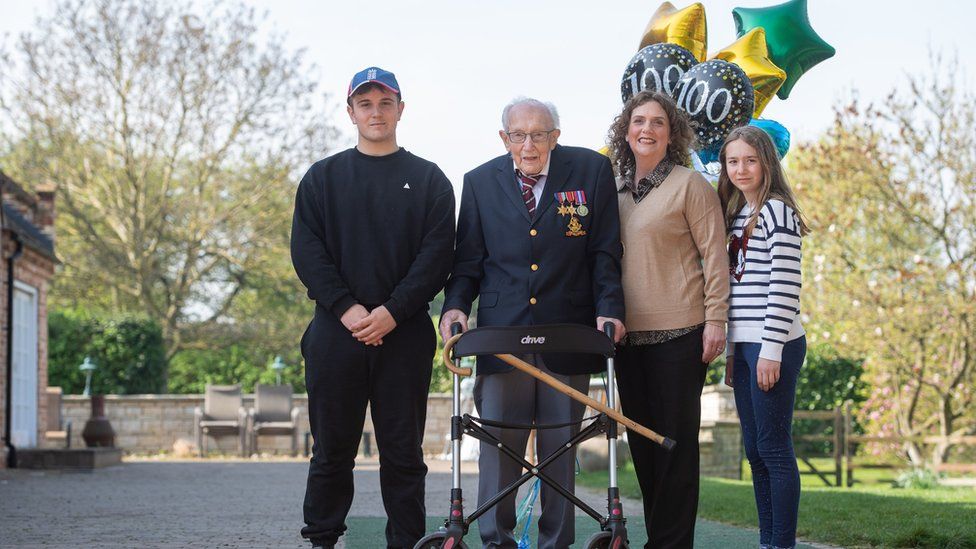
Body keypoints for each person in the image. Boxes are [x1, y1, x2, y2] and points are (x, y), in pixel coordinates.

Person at [440, 97, 625, 549]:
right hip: (501, 338)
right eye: (518, 135)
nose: (529, 145)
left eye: (539, 134)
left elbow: (604, 251)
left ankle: (555, 543)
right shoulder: (480, 182)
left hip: (568, 330)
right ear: (504, 138)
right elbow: (468, 260)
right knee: (499, 448)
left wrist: (610, 307)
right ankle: (495, 540)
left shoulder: (589, 172)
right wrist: (455, 306)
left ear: (555, 136)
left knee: (560, 450)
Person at [291, 66, 456, 549]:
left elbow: (437, 256)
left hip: (403, 335)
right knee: (331, 452)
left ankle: (406, 542)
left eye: (385, 103)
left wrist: (391, 312)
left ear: (401, 110)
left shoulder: (429, 180)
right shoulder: (322, 178)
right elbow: (307, 252)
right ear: (351, 112)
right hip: (333, 334)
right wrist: (346, 308)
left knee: (403, 454)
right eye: (366, 104)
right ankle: (322, 538)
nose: (376, 112)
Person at [606, 90, 730, 548]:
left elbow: (715, 257)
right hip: (626, 339)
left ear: (672, 133)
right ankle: (659, 538)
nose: (647, 130)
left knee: (675, 448)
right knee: (643, 446)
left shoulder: (689, 185)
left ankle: (672, 544)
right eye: (639, 121)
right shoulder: (613, 190)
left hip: (682, 333)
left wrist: (716, 319)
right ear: (626, 129)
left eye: (658, 122)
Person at [719, 125, 809, 549]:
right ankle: (768, 540)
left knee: (773, 447)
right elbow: (736, 292)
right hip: (745, 345)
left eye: (750, 160)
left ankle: (782, 543)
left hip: (775, 344)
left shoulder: (778, 212)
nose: (741, 168)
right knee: (755, 451)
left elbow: (785, 287)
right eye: (733, 161)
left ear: (767, 163)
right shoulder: (738, 213)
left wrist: (769, 352)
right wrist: (733, 355)